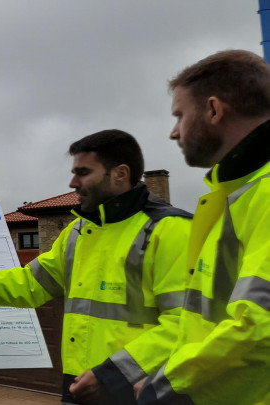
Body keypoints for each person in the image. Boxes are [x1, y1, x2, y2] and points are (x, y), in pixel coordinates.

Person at [0, 130, 192, 405]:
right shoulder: (79, 232)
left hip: (141, 389)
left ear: (120, 173)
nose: (73, 182)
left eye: (83, 172)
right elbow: (32, 282)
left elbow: (186, 324)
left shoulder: (171, 231)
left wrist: (113, 374)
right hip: (80, 384)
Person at [135, 50, 270, 405]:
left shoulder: (265, 193)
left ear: (213, 110)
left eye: (180, 115)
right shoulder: (233, 195)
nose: (173, 131)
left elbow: (260, 323)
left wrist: (170, 384)